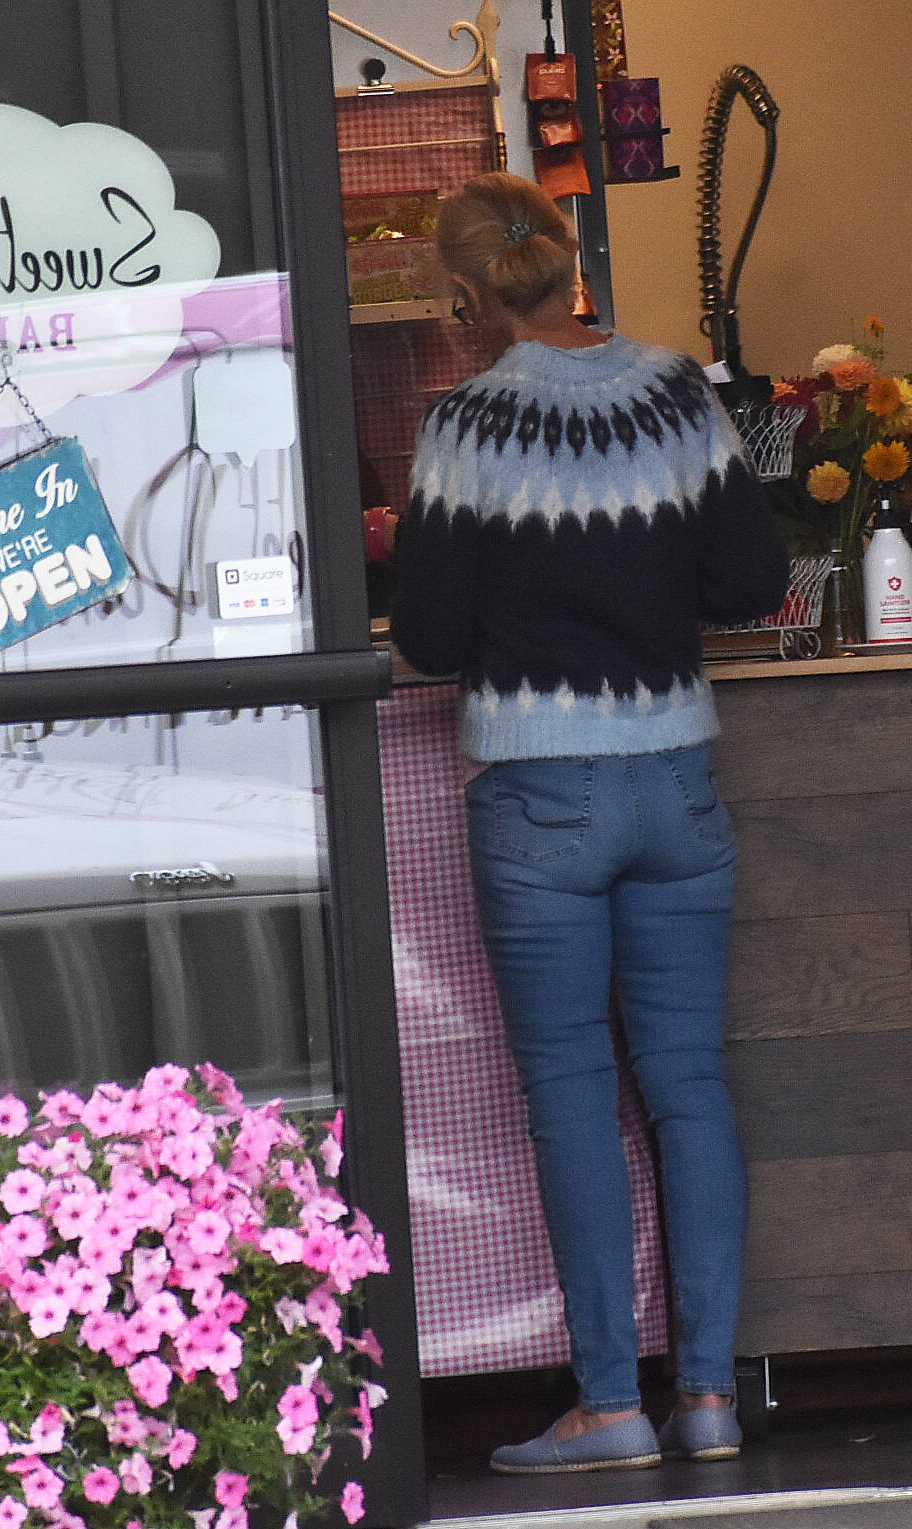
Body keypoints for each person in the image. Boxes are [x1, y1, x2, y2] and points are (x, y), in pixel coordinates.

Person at [389, 172, 788, 1474]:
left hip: (540, 797)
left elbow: (429, 635)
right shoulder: (675, 394)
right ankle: (711, 1399)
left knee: (571, 1097)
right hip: (674, 780)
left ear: (465, 297)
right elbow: (753, 580)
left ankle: (611, 1405)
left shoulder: (462, 426)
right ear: (570, 266)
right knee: (688, 1087)